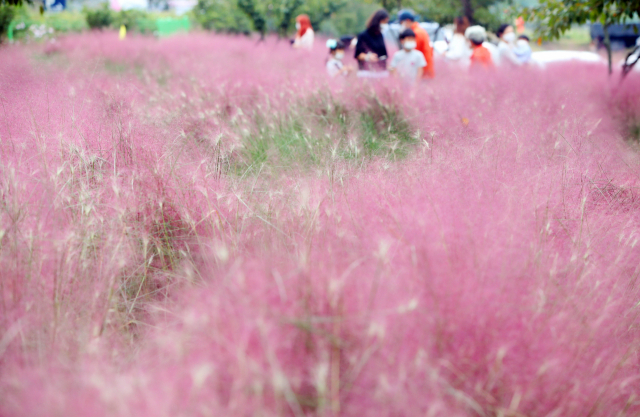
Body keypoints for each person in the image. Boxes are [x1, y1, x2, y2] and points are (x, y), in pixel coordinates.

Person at [397, 10, 434, 78]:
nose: (401, 25)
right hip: (424, 69)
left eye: (401, 22)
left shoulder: (415, 33)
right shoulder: (418, 30)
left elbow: (411, 54)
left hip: (422, 72)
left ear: (407, 21)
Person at [354, 9, 390, 76]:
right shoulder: (363, 35)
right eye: (384, 21)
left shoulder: (380, 35)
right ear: (378, 20)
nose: (385, 24)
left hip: (381, 72)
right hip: (367, 72)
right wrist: (367, 57)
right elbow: (357, 54)